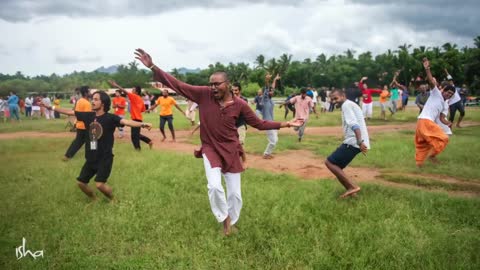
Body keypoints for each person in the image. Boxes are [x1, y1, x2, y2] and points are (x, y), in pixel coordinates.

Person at [135, 48, 303, 236]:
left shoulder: (240, 105)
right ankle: (225, 220)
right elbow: (177, 84)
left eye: (217, 84)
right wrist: (153, 67)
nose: (213, 88)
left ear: (228, 84)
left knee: (235, 195)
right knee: (214, 186)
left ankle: (233, 219)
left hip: (231, 150)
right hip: (210, 149)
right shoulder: (203, 94)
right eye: (211, 84)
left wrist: (287, 123)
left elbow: (259, 123)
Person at [43, 91, 152, 201]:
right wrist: (50, 107)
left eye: (95, 99)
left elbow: (127, 122)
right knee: (81, 183)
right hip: (91, 157)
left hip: (105, 158)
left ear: (103, 103)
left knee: (99, 184)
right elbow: (69, 112)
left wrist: (142, 124)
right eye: (92, 99)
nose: (92, 101)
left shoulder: (111, 118)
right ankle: (95, 199)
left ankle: (114, 200)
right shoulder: (88, 116)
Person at [325, 89, 369, 198]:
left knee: (329, 162)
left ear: (343, 96)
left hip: (353, 142)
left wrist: (359, 142)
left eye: (336, 98)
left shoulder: (346, 105)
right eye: (332, 100)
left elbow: (354, 125)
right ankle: (352, 192)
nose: (334, 101)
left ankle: (352, 187)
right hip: (355, 141)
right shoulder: (350, 104)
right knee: (337, 166)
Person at [415, 58, 455, 167]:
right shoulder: (436, 93)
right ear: (443, 90)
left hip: (421, 123)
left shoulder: (444, 104)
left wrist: (448, 123)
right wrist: (427, 68)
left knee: (423, 145)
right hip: (426, 121)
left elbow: (442, 118)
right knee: (444, 138)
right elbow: (431, 81)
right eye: (448, 92)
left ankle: (419, 165)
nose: (449, 95)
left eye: (451, 94)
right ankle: (432, 157)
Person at [108, 81, 153, 150]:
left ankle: (138, 150)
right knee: (136, 134)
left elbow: (124, 91)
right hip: (138, 118)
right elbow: (142, 110)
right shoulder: (140, 99)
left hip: (135, 119)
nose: (132, 90)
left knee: (134, 136)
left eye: (133, 89)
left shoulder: (134, 96)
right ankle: (149, 141)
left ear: (136, 92)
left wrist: (116, 85)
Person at [64, 87, 91, 161]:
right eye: (89, 91)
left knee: (78, 141)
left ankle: (67, 155)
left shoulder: (79, 101)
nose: (90, 93)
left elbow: (77, 112)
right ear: (85, 93)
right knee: (92, 141)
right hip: (85, 126)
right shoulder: (87, 103)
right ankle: (93, 156)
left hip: (79, 124)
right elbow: (87, 116)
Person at [261, 73, 281, 159]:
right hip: (267, 123)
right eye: (271, 91)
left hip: (272, 122)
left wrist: (275, 80)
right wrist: (267, 80)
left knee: (275, 139)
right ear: (267, 92)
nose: (272, 92)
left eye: (272, 91)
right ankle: (266, 154)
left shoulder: (270, 99)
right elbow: (266, 87)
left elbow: (272, 87)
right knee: (273, 141)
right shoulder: (265, 98)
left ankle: (267, 153)